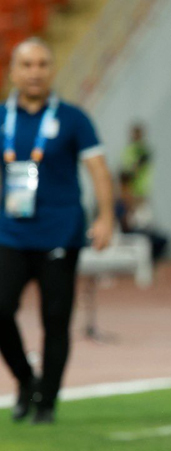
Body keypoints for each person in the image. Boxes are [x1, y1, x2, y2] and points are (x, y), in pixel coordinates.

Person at [0, 38, 113, 424]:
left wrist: (105, 218)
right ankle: (26, 379)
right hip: (10, 234)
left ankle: (46, 402)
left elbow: (98, 169)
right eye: (27, 64)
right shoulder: (2, 118)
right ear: (13, 71)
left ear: (52, 70)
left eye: (42, 64)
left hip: (60, 234)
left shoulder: (73, 118)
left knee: (55, 319)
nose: (35, 72)